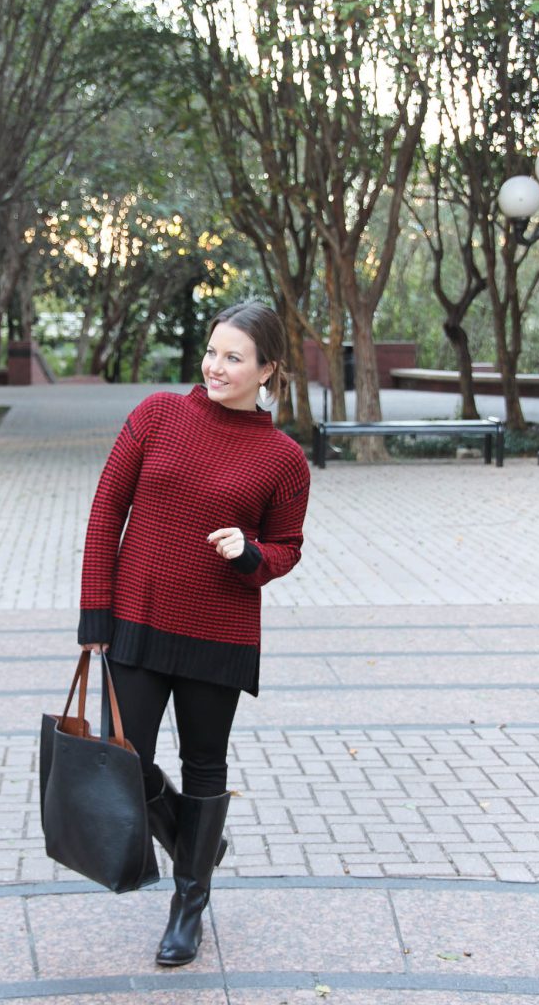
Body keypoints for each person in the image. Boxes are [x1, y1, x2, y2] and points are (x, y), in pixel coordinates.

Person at [78, 301, 311, 966]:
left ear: (267, 369)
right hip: (136, 620)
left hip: (219, 630)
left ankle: (189, 904)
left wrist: (249, 553)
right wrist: (96, 614)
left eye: (234, 357)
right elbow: (105, 512)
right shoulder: (156, 415)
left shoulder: (284, 459)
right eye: (212, 352)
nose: (215, 366)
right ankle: (192, 840)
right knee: (121, 756)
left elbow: (288, 547)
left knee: (204, 764)